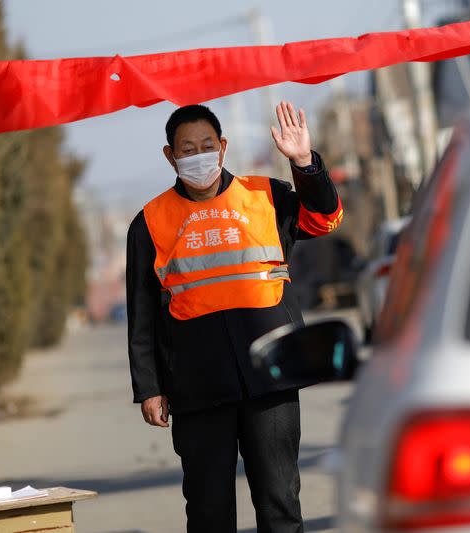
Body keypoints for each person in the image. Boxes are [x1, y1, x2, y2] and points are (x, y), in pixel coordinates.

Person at [126, 100, 343, 533]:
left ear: (223, 147)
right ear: (170, 156)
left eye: (207, 144)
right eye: (188, 149)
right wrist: (149, 387)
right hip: (196, 383)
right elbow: (142, 311)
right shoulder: (149, 222)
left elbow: (325, 219)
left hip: (271, 374)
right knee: (208, 511)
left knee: (280, 501)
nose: (199, 155)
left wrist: (304, 162)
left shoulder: (267, 195)